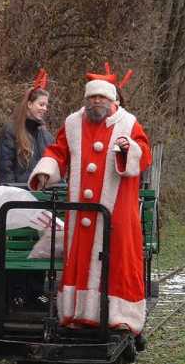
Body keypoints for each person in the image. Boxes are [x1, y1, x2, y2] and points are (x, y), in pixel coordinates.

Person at [28, 63, 152, 337]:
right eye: (92, 97)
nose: (97, 102)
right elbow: (58, 151)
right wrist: (46, 171)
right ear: (86, 99)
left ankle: (119, 315)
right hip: (81, 211)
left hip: (116, 210)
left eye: (102, 97)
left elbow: (144, 154)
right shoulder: (72, 123)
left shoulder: (128, 123)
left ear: (112, 99)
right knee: (81, 258)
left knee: (117, 260)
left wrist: (127, 150)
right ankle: (79, 313)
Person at [0, 69, 54, 184]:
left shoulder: (47, 137)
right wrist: (12, 196)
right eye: (41, 104)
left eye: (46, 106)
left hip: (41, 197)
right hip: (18, 197)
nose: (45, 109)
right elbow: (5, 170)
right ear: (29, 104)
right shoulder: (11, 131)